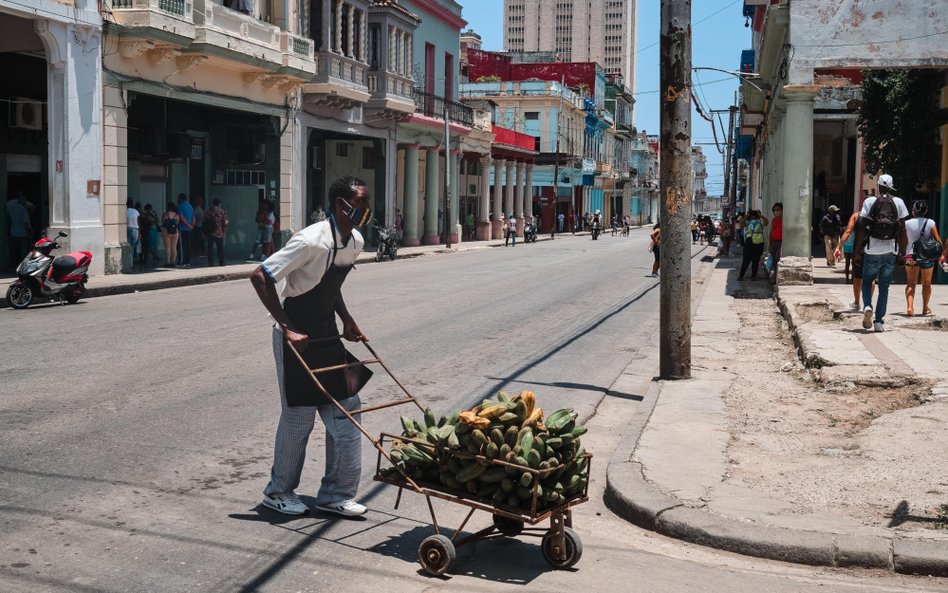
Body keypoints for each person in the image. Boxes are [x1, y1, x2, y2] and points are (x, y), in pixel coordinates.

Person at [249, 175, 371, 517]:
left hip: (328, 335)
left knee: (348, 412)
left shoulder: (355, 241)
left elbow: (331, 284)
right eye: (359, 202)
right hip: (297, 338)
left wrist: (346, 318)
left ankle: (336, 494)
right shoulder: (310, 240)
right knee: (299, 418)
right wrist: (288, 329)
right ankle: (278, 492)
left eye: (366, 202)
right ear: (339, 205)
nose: (364, 209)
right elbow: (261, 276)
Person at [853, 174, 908, 332]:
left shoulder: (870, 201)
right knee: (884, 286)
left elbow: (862, 228)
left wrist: (857, 251)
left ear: (878, 186)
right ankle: (878, 322)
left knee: (867, 281)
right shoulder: (898, 202)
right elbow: (902, 230)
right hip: (891, 250)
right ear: (891, 186)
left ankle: (868, 306)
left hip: (872, 249)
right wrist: (903, 253)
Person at [904, 200, 941, 317]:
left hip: (911, 255)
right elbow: (938, 241)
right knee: (926, 283)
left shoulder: (907, 223)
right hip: (927, 257)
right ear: (925, 211)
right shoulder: (930, 223)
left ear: (913, 211)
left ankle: (910, 307)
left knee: (911, 282)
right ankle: (925, 308)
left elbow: (903, 241)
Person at [6, 192, 32, 270]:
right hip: (22, 233)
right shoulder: (23, 210)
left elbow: (8, 220)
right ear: (23, 201)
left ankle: (12, 265)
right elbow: (25, 222)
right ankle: (22, 266)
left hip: (13, 232)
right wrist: (28, 232)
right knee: (22, 250)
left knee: (13, 250)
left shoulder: (12, 209)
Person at [738, 210, 766, 280]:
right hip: (749, 243)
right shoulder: (748, 222)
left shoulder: (760, 222)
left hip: (758, 244)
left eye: (754, 215)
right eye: (752, 215)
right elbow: (741, 225)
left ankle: (753, 276)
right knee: (746, 260)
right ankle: (741, 275)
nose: (753, 216)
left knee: (755, 260)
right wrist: (746, 216)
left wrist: (760, 216)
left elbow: (766, 222)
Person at [204, 198, 229, 267]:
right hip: (219, 233)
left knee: (210, 249)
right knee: (220, 248)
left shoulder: (208, 211)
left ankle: (210, 262)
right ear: (219, 204)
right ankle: (221, 262)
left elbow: (205, 220)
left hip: (210, 232)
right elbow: (225, 222)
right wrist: (224, 230)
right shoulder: (221, 211)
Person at [176, 193, 195, 268]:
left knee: (181, 246)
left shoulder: (180, 206)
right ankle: (187, 261)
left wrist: (188, 225)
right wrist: (192, 225)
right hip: (189, 229)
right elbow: (194, 216)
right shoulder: (190, 206)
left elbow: (181, 217)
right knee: (187, 245)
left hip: (182, 228)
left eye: (178, 198)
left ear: (180, 198)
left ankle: (182, 262)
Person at [161, 202, 180, 267]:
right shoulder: (177, 215)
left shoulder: (165, 214)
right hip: (175, 231)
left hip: (166, 231)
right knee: (174, 247)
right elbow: (177, 223)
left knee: (167, 247)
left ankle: (168, 262)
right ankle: (173, 262)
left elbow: (163, 222)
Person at [768, 202, 783, 280]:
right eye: (774, 210)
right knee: (774, 260)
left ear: (782, 210)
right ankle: (775, 277)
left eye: (778, 210)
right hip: (774, 242)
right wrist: (770, 245)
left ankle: (778, 277)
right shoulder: (774, 220)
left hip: (781, 242)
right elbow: (771, 232)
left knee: (778, 258)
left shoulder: (784, 220)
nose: (776, 212)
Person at [126, 199, 140, 265]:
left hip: (127, 229)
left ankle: (129, 261)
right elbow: (139, 222)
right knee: (133, 246)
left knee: (128, 246)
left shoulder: (125, 211)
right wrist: (140, 233)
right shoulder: (136, 211)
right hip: (135, 229)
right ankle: (132, 262)